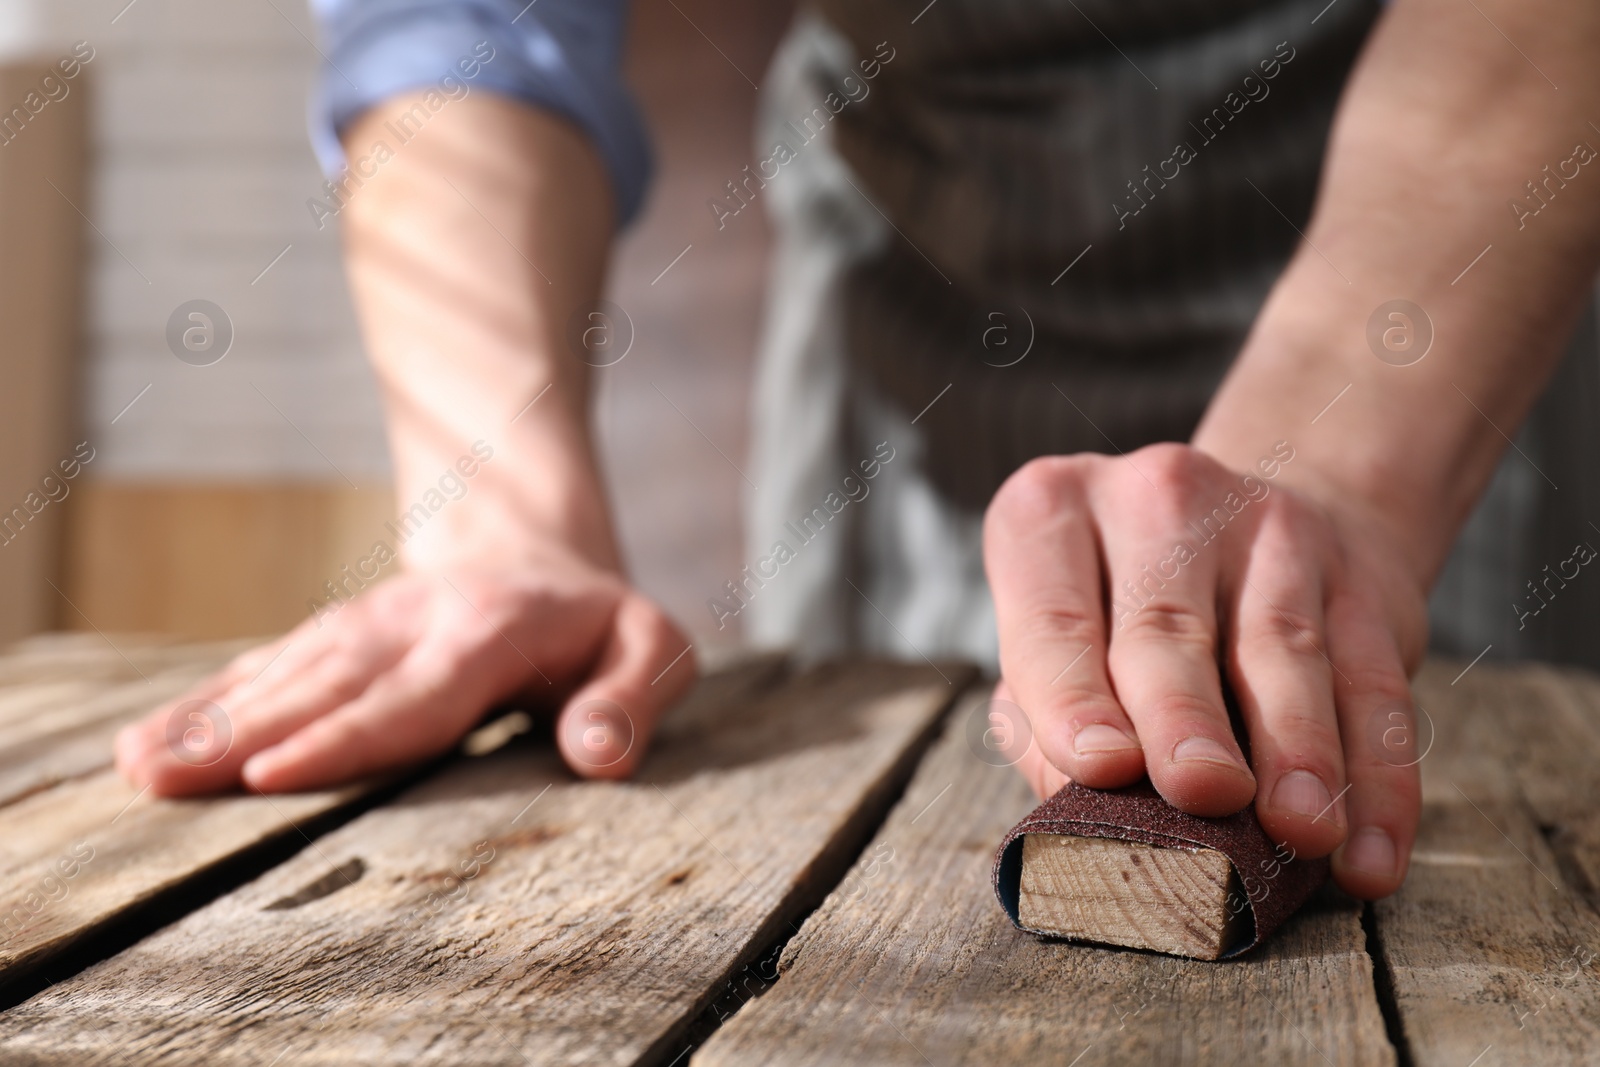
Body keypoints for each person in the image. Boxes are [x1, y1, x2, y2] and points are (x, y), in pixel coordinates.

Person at [115, 0, 1600, 904]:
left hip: (1433, 223)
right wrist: (503, 522)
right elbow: (460, 28)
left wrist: (1339, 467)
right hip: (924, 229)